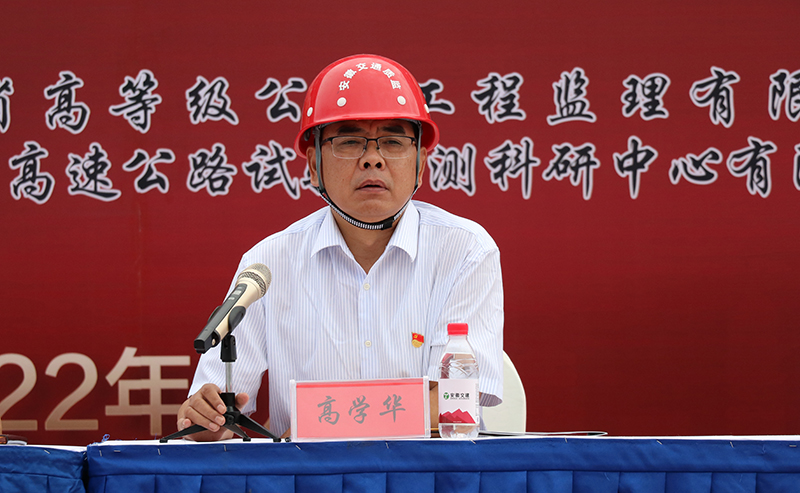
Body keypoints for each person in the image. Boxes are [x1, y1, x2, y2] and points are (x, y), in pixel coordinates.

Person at [178, 54, 504, 441]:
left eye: (393, 142)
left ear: (420, 163)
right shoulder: (267, 264)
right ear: (313, 165)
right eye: (349, 142)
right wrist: (206, 420)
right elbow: (214, 414)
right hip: (307, 473)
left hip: (431, 470)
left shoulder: (466, 250)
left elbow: (454, 401)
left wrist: (318, 425)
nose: (372, 159)